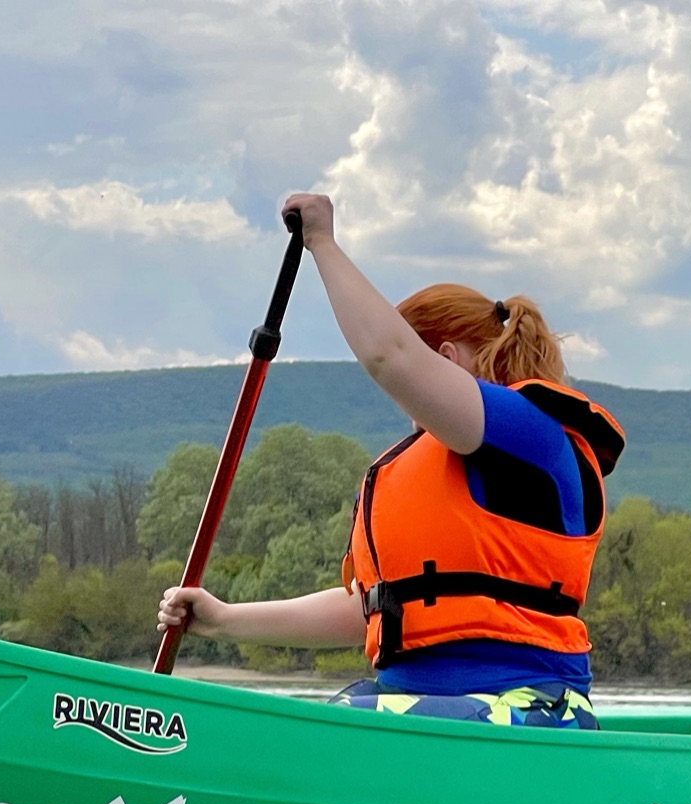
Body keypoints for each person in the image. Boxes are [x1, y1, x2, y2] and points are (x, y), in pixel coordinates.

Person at [157, 192, 626, 729]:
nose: (405, 404)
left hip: (526, 709)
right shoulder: (421, 465)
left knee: (351, 724)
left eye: (412, 389)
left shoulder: (531, 433)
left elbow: (390, 357)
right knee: (345, 713)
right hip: (407, 709)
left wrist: (322, 244)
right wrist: (223, 620)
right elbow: (369, 608)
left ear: (445, 360)